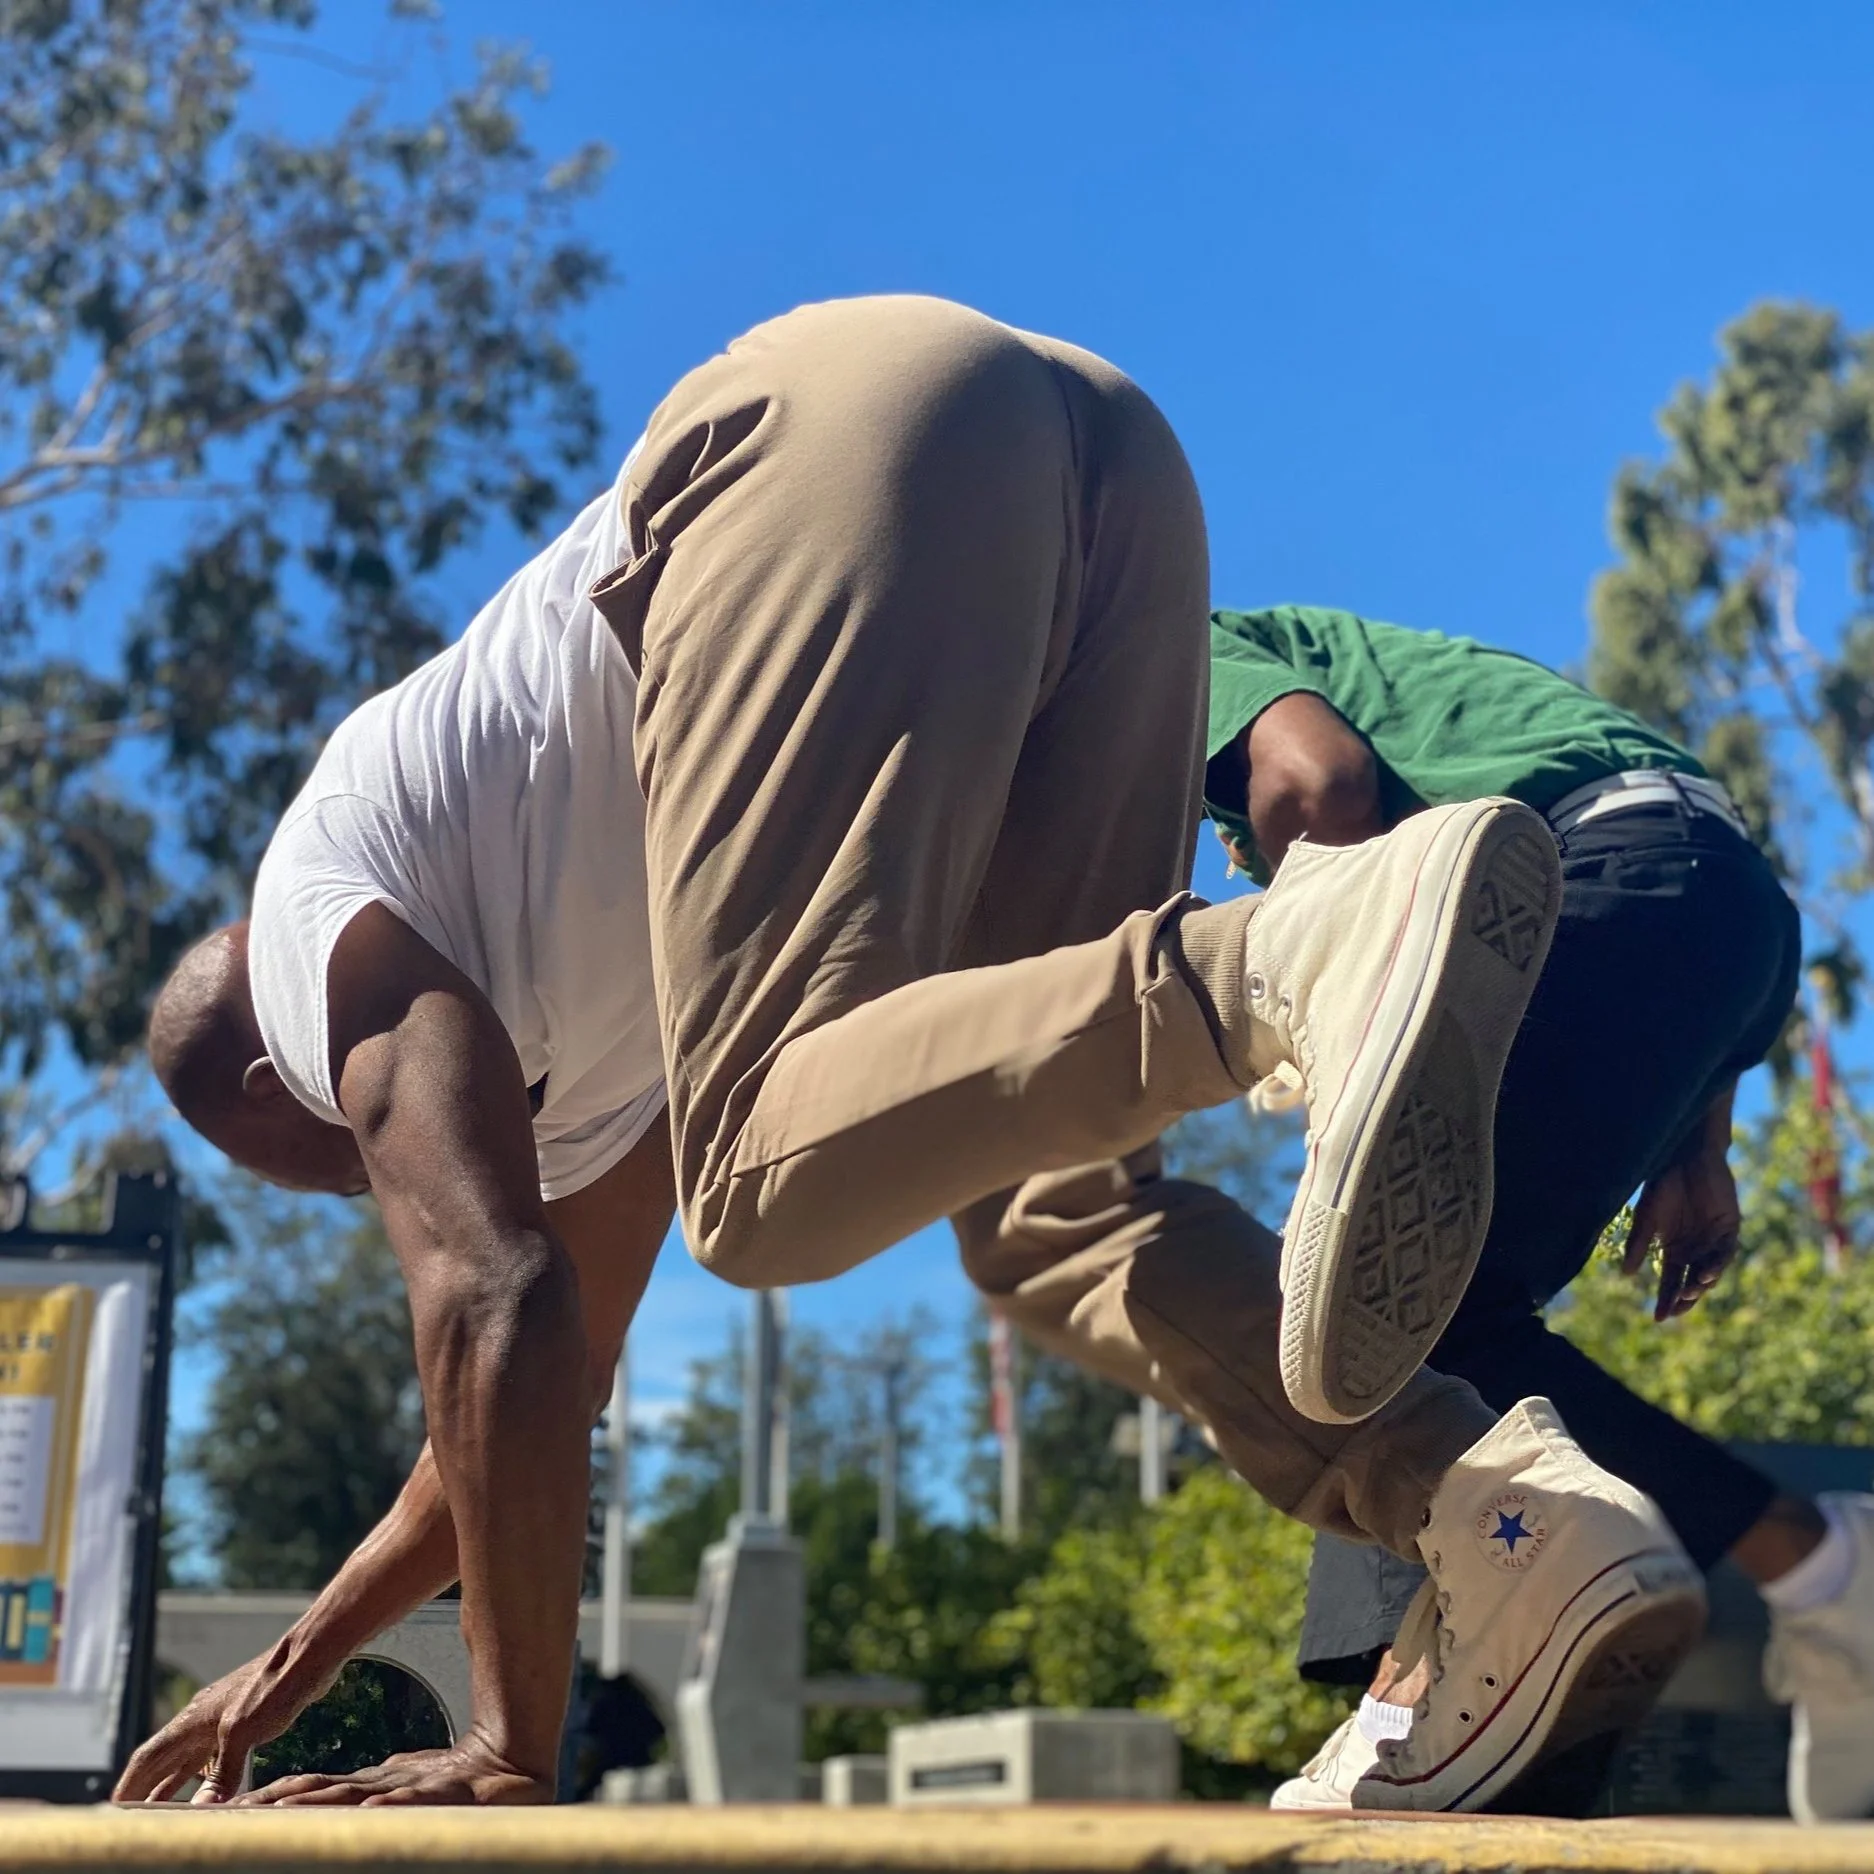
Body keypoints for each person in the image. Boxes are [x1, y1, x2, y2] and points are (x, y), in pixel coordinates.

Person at [119, 298, 1700, 1811]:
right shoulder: (568, 1040)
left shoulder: (311, 936)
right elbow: (527, 1399)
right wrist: (292, 1660)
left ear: (279, 1079)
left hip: (813, 446)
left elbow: (488, 1297)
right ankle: (1494, 1513)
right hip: (1099, 458)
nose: (365, 1176)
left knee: (752, 1199)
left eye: (326, 1157)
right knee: (1050, 1209)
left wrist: (507, 1743)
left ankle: (1288, 952)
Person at [1201, 604, 1871, 1822]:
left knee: (1384, 1311)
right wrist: (1698, 1136)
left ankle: (1421, 1701)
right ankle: (1459, 1694)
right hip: (1712, 909)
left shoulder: (1165, 641)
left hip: (1603, 880)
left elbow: (1320, 783)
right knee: (1431, 1311)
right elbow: (1682, 831)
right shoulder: (1368, 661)